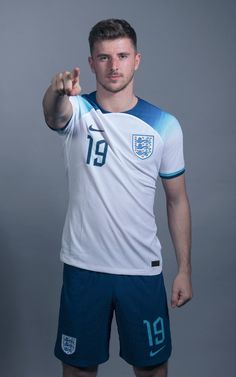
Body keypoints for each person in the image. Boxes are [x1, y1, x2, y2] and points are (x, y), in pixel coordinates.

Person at [42, 18, 192, 377]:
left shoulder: (164, 125)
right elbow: (52, 114)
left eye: (122, 56)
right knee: (78, 370)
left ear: (136, 60)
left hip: (140, 270)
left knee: (152, 369)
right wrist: (57, 90)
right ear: (91, 63)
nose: (114, 65)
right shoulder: (78, 110)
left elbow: (177, 200)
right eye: (104, 57)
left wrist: (184, 269)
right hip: (84, 267)